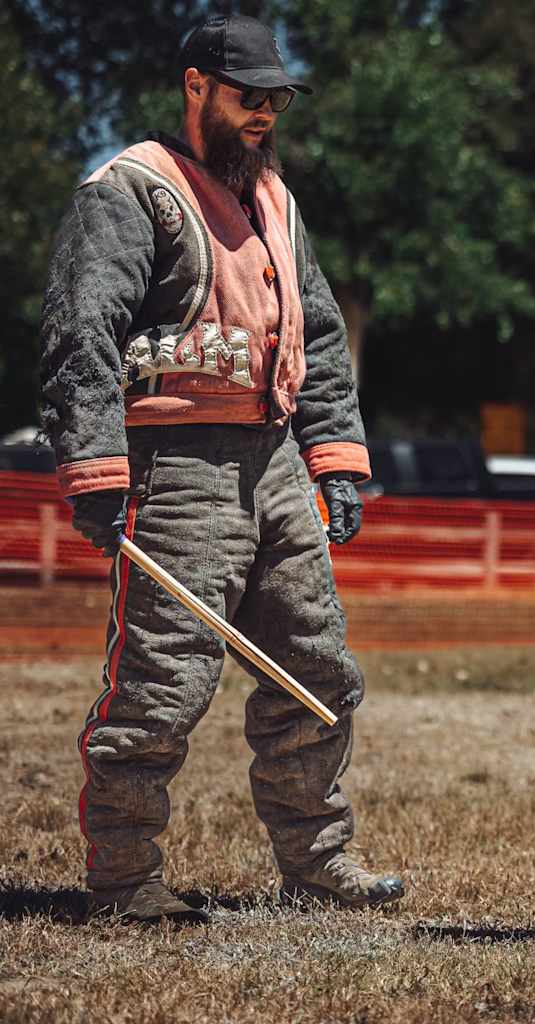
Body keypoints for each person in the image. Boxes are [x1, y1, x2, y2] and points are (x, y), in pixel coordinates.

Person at [39, 14, 403, 924]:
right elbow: (81, 335)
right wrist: (96, 469)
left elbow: (317, 333)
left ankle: (319, 862)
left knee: (315, 672)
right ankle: (125, 880)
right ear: (196, 86)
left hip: (276, 460)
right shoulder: (130, 190)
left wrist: (335, 461)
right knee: (163, 684)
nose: (266, 116)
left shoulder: (277, 198)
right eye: (250, 97)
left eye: (277, 99)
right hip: (176, 467)